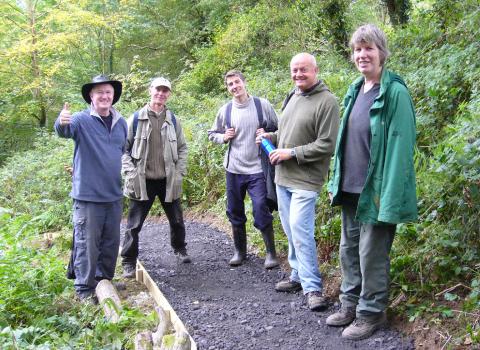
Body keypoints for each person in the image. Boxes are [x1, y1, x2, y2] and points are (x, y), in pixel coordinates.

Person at [326, 24, 418, 340]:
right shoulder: (355, 90)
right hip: (350, 188)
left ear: (381, 53)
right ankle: (350, 304)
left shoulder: (395, 93)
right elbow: (345, 142)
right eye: (357, 49)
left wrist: (389, 199)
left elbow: (400, 152)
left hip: (377, 192)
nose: (362, 55)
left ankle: (372, 313)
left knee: (372, 255)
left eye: (368, 48)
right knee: (349, 250)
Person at [257, 53, 340, 311]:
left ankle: (313, 287)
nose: (298, 75)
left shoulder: (327, 102)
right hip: (283, 177)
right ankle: (297, 275)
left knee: (301, 231)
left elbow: (327, 145)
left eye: (303, 70)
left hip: (306, 179)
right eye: (294, 70)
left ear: (315, 70)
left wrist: (290, 153)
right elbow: (286, 133)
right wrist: (270, 136)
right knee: (291, 231)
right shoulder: (293, 96)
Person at [54, 74, 127, 301]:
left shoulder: (121, 122)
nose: (104, 96)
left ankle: (104, 282)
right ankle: (85, 290)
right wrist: (61, 121)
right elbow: (64, 130)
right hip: (88, 197)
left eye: (108, 92)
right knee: (87, 244)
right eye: (99, 93)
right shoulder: (80, 120)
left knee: (110, 243)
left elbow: (122, 153)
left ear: (113, 96)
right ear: (91, 97)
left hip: (114, 195)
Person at [208, 70, 280, 269]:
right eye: (230, 84)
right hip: (233, 169)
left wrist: (268, 134)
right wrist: (223, 137)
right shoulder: (226, 110)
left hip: (257, 168)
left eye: (237, 82)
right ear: (227, 88)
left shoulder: (262, 105)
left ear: (244, 82)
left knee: (261, 208)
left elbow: (280, 129)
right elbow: (212, 133)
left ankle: (271, 253)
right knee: (234, 211)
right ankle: (240, 251)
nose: (234, 87)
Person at [121, 77, 189, 278]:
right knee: (134, 225)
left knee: (177, 220)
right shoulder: (135, 119)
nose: (161, 94)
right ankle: (128, 261)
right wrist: (130, 172)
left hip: (168, 180)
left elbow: (183, 148)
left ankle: (179, 248)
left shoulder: (173, 120)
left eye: (165, 91)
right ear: (150, 91)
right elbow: (122, 149)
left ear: (169, 94)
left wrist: (179, 173)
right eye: (157, 90)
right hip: (142, 180)